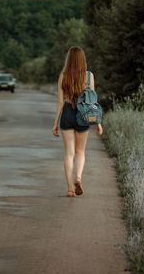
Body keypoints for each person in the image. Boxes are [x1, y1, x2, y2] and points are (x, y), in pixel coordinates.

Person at [52, 46, 103, 198]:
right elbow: (92, 101)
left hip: (67, 113)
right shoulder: (89, 76)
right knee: (80, 152)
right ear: (83, 60)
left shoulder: (63, 75)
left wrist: (55, 123)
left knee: (69, 153)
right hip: (84, 115)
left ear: (69, 59)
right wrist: (98, 123)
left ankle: (69, 189)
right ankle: (78, 178)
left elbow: (60, 102)